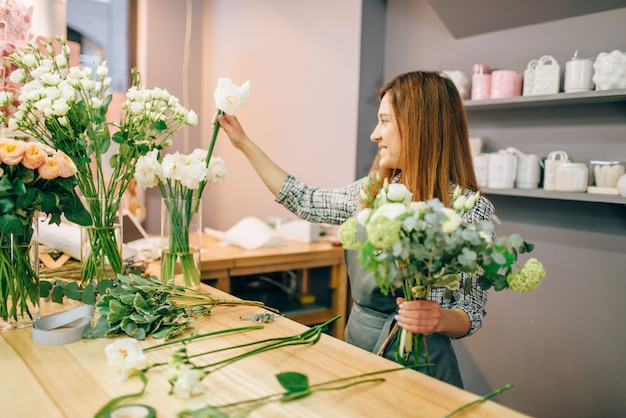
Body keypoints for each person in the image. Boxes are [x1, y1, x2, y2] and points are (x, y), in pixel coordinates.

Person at [218, 70, 494, 388]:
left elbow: (470, 310)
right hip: (358, 350)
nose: (375, 134)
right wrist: (243, 143)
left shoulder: (470, 210)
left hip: (423, 370)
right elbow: (305, 200)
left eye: (385, 121)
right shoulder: (374, 191)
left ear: (420, 127)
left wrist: (439, 318)